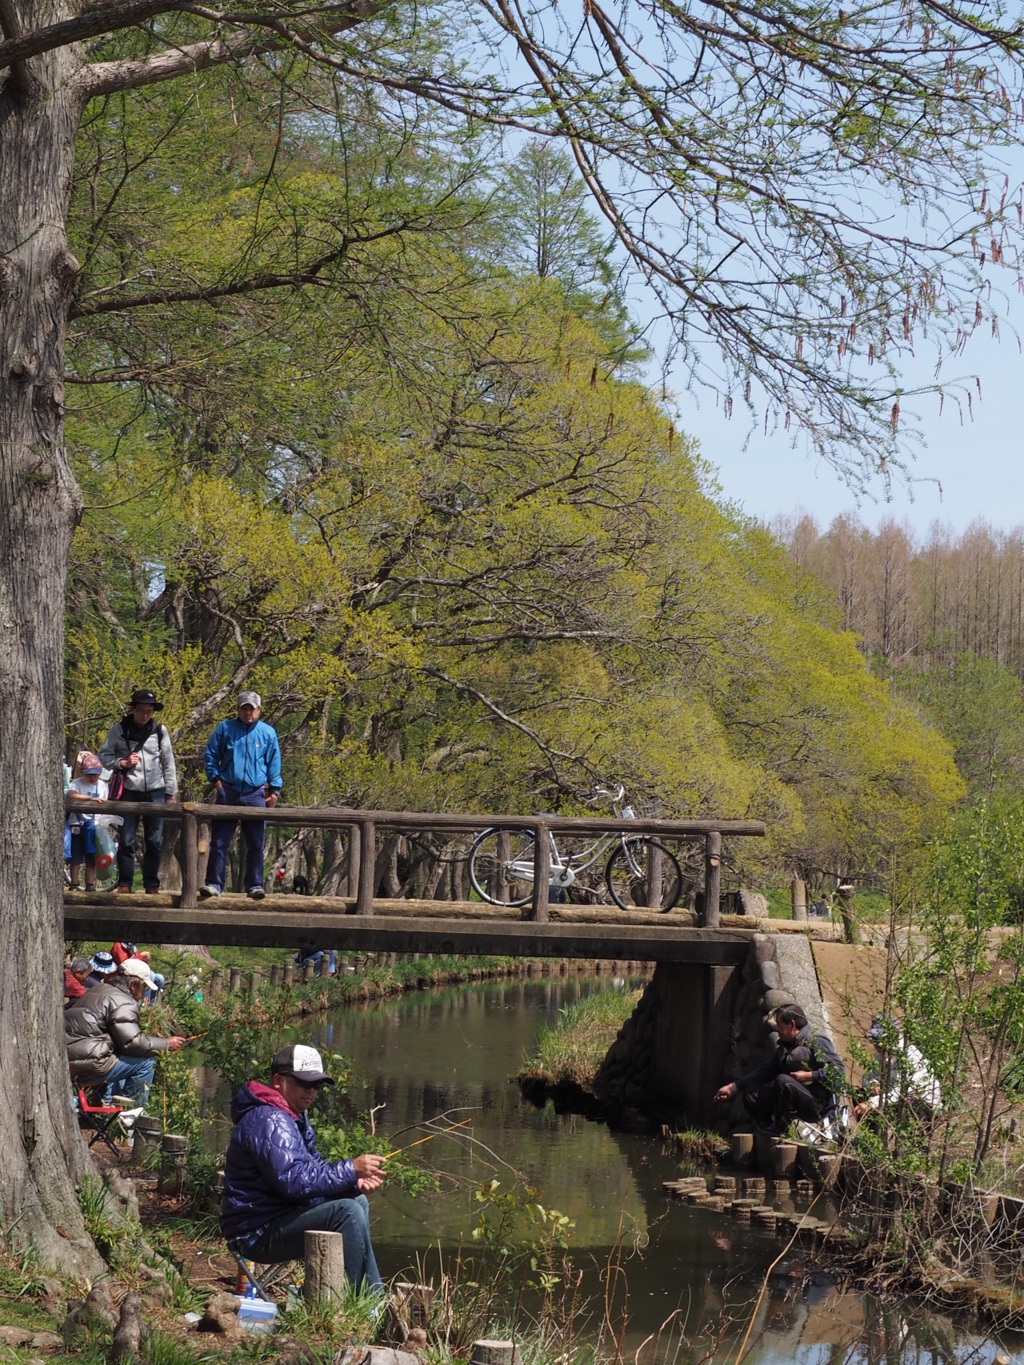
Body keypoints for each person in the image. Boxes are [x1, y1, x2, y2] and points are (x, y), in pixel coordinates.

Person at [220, 1044, 384, 1291]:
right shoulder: (270, 1119)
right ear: (278, 1080)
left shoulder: (290, 1115)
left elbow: (312, 1168)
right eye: (304, 1083)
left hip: (276, 1217)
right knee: (347, 1212)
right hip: (254, 1233)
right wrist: (350, 1169)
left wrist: (351, 1181)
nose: (311, 1091)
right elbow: (293, 1181)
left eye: (316, 1085)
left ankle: (352, 1294)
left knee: (355, 1200)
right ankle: (372, 1302)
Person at [65, 958, 186, 1104]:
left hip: (69, 1062)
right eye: (144, 988)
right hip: (88, 1066)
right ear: (134, 985)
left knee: (115, 1054)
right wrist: (166, 1044)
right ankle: (130, 1114)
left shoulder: (98, 990)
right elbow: (132, 1043)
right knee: (146, 1062)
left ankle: (104, 1104)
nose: (143, 994)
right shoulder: (123, 1000)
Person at [713, 1004, 845, 1135]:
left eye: (779, 1025)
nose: (777, 1030)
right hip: (790, 1099)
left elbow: (838, 1071)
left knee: (783, 1081)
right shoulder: (785, 1048)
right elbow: (764, 1071)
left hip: (817, 1103)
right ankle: (767, 1127)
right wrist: (734, 1086)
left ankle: (781, 1128)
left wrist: (810, 1075)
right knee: (750, 1093)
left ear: (792, 1024)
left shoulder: (816, 1040)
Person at [200, 691, 282, 900]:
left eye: (252, 708)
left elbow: (274, 763)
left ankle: (254, 885)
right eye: (244, 708)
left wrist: (274, 790)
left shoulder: (268, 733)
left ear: (259, 710)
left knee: (255, 842)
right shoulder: (225, 728)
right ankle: (214, 884)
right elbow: (210, 754)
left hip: (255, 792)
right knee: (219, 842)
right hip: (228, 789)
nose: (248, 712)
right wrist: (216, 780)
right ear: (238, 709)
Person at [99, 688, 177, 894]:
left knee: (154, 840)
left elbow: (168, 761)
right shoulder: (119, 730)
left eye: (149, 711)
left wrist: (170, 791)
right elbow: (103, 757)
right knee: (126, 840)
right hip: (128, 790)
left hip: (156, 791)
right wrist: (122, 762)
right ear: (133, 709)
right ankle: (125, 883)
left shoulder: (160, 730)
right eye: (141, 710)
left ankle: (152, 884)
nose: (145, 715)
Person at [852, 1015, 941, 1121]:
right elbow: (869, 1075)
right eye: (874, 1038)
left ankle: (881, 1135)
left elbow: (902, 1093)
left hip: (922, 1106)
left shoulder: (911, 1056)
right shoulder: (883, 1053)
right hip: (895, 1097)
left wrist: (872, 1103)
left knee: (878, 1109)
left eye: (878, 1038)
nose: (875, 1042)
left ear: (893, 1035)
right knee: (860, 1095)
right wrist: (873, 1084)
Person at [66, 753, 108, 890]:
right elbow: (72, 795)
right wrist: (90, 799)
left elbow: (105, 801)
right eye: (89, 774)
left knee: (91, 858)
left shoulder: (102, 785)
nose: (92, 777)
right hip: (77, 825)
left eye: (95, 774)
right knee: (76, 857)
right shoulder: (76, 783)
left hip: (95, 826)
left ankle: (90, 884)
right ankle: (74, 883)